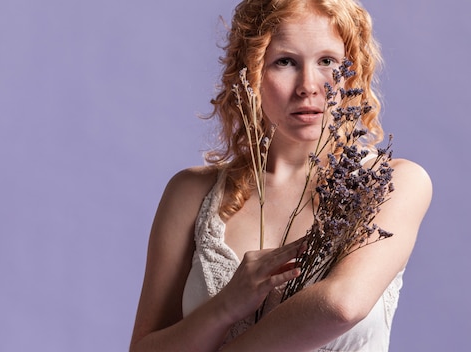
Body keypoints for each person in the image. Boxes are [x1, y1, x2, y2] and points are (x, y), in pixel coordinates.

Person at [130, 0, 432, 351]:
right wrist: (226, 305)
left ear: (352, 71)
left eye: (328, 62)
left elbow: (340, 307)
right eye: (285, 62)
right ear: (251, 72)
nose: (309, 85)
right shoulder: (191, 194)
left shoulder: (391, 182)